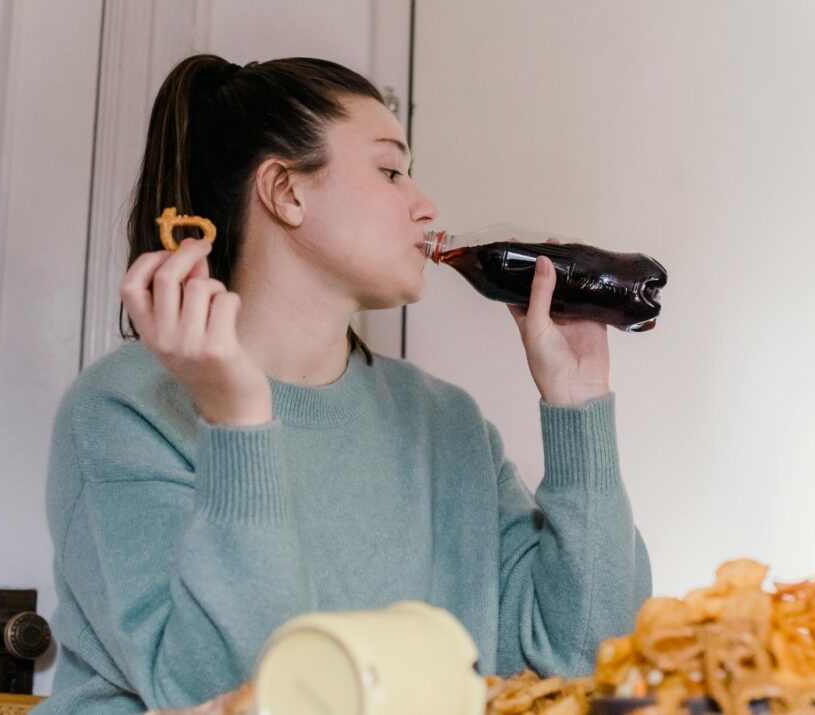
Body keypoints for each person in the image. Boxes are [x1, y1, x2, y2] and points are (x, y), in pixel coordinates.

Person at [35, 54, 651, 714]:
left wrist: (579, 402)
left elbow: (591, 661)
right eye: (391, 170)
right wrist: (236, 420)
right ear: (286, 191)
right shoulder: (127, 409)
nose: (426, 205)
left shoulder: (445, 423)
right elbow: (233, 693)